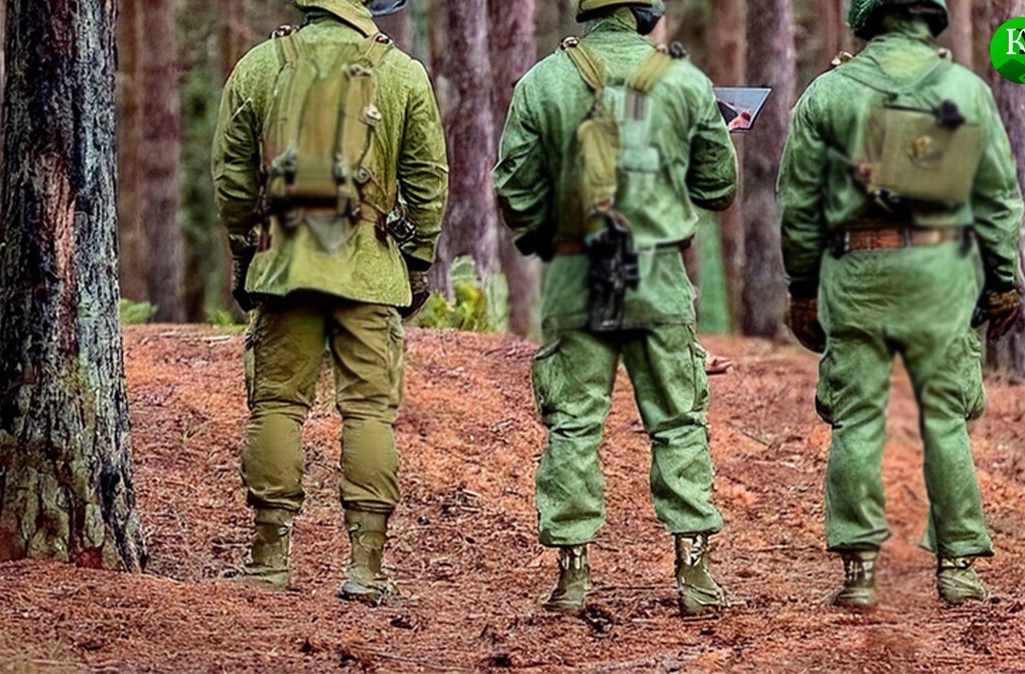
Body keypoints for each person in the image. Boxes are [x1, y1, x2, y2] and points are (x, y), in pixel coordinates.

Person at [494, 0, 739, 615]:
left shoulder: (542, 80)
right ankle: (696, 575)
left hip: (577, 274)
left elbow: (514, 189)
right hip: (655, 275)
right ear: (643, 11)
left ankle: (572, 576)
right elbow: (718, 186)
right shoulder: (683, 81)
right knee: (678, 421)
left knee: (573, 423)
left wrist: (551, 240)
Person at [778, 0, 1024, 608]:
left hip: (856, 270)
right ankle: (958, 567)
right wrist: (1003, 282)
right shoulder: (963, 88)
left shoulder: (828, 94)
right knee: (944, 418)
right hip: (942, 274)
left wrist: (802, 289)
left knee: (856, 418)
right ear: (929, 18)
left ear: (867, 19)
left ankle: (860, 574)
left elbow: (798, 206)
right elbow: (998, 202)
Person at [211, 0, 448, 605]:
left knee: (277, 407)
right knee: (369, 412)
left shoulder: (262, 64)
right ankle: (366, 569)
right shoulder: (401, 72)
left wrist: (248, 250)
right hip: (370, 269)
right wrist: (415, 262)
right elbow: (428, 181)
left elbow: (233, 176)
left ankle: (269, 560)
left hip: (285, 264)